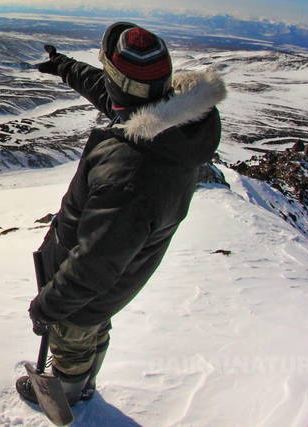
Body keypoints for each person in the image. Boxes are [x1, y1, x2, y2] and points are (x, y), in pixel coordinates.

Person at [17, 22, 226, 415]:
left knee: (74, 334)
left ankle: (71, 389)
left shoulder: (129, 174)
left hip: (88, 290)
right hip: (119, 275)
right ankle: (86, 373)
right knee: (94, 324)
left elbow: (95, 265)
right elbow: (110, 92)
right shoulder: (173, 122)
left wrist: (48, 306)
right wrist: (63, 66)